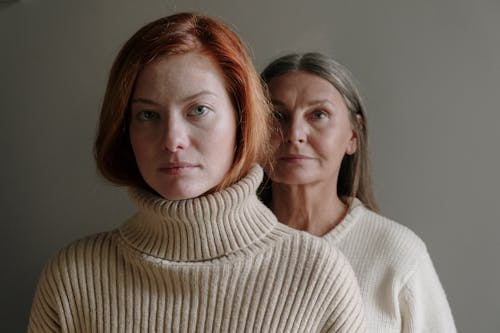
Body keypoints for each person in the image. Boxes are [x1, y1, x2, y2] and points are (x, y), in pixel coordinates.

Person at [28, 15, 367, 332]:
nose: (173, 140)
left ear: (242, 118)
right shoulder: (72, 277)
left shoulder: (319, 275)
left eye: (198, 110)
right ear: (124, 129)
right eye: (148, 115)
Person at [261, 52, 456, 332]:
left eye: (318, 115)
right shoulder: (225, 248)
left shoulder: (397, 254)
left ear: (353, 134)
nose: (295, 133)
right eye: (277, 115)